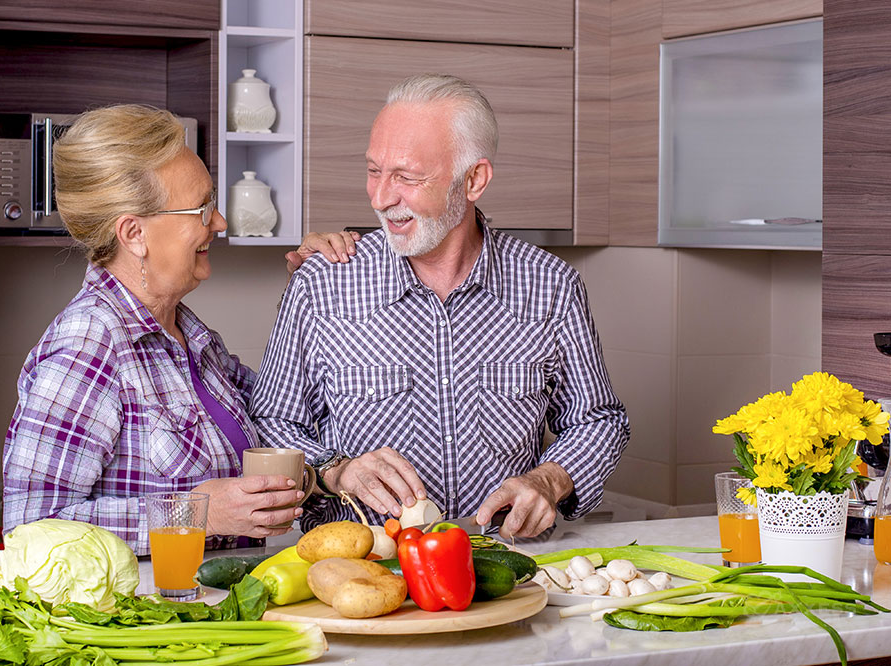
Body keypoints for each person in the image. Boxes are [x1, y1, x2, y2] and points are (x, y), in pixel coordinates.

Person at [251, 74, 630, 539]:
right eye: (374, 171)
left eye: (407, 177)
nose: (381, 197)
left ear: (474, 179)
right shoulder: (321, 284)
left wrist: (546, 482)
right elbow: (272, 422)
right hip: (361, 573)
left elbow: (597, 419)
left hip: (506, 564)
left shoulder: (551, 285)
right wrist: (336, 468)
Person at [1, 104, 359, 555]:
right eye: (201, 209)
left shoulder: (190, 337)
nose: (220, 223)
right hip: (148, 618)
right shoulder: (90, 344)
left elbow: (282, 413)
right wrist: (194, 513)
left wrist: (313, 292)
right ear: (134, 234)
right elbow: (29, 529)